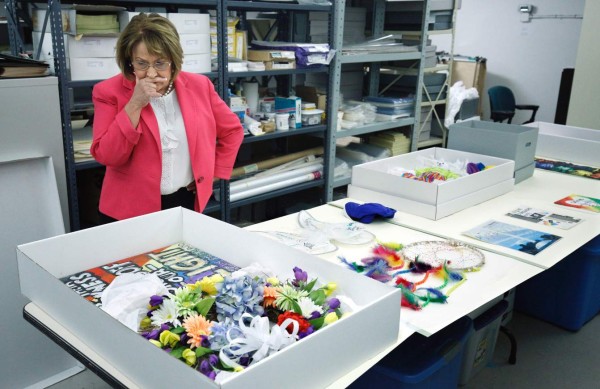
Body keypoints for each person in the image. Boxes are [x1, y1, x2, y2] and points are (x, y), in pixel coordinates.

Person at [91, 13, 243, 223]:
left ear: (173, 59)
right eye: (142, 64)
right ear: (129, 62)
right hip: (128, 210)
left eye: (160, 63)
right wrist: (134, 104)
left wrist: (215, 171)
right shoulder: (108, 92)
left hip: (184, 201)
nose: (152, 73)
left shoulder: (200, 86)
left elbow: (233, 130)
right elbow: (107, 156)